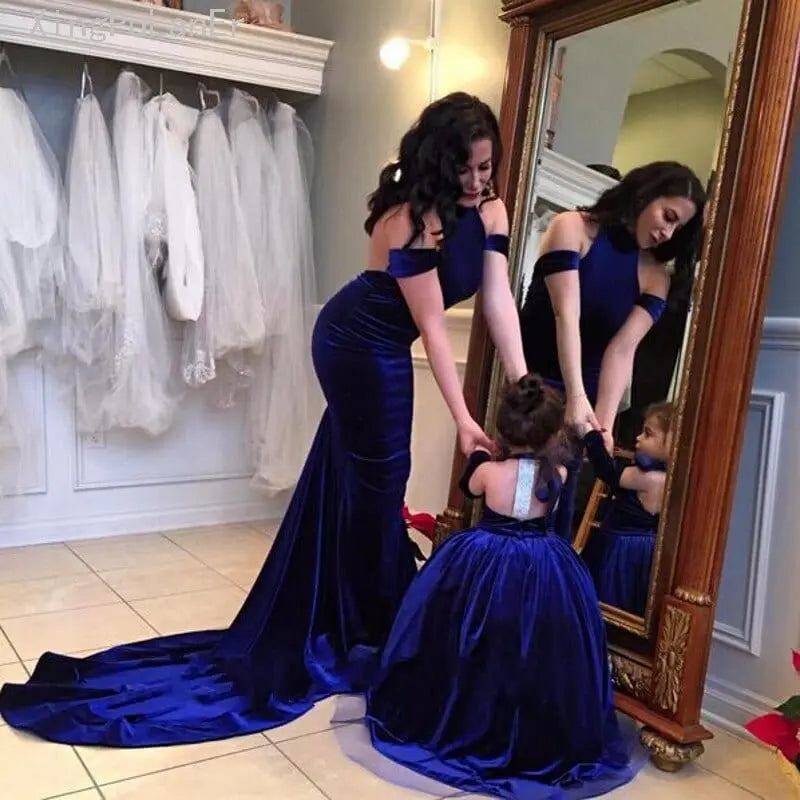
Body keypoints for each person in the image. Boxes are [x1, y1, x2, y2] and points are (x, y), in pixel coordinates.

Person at [0, 92, 528, 746]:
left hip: (387, 344)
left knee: (362, 481)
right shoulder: (410, 219)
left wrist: (523, 373)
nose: (479, 182)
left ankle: (354, 614)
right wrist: (466, 417)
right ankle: (372, 630)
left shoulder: (493, 211)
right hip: (359, 342)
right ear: (442, 163)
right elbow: (432, 330)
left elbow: (499, 296)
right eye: (468, 169)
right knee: (381, 482)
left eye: (488, 168)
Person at [362, 374, 642, 799]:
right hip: (545, 562)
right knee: (533, 644)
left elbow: (469, 489)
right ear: (551, 434)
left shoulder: (487, 472)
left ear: (503, 429)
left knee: (469, 635)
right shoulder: (562, 473)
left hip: (484, 559)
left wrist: (480, 456)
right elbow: (552, 506)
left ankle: (467, 714)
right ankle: (528, 725)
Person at [518, 161, 705, 536]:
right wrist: (574, 395)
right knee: (519, 502)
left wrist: (601, 425)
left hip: (582, 399)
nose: (667, 232)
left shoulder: (654, 276)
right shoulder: (572, 227)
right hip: (532, 387)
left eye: (677, 227)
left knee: (556, 511)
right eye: (667, 216)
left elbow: (621, 351)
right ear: (644, 194)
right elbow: (564, 315)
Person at [579, 401, 673, 617]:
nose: (638, 438)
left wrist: (591, 436)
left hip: (622, 548)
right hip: (643, 549)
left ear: (672, 443)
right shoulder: (668, 478)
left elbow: (608, 471)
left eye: (648, 434)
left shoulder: (650, 478)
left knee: (607, 595)